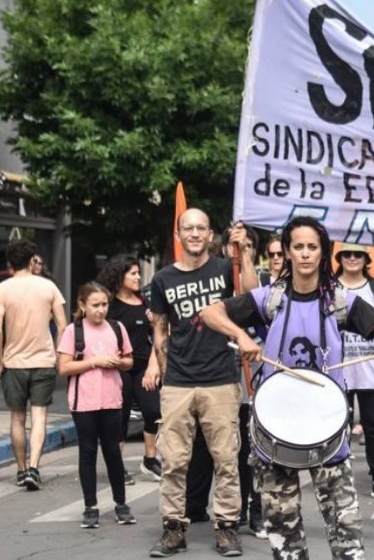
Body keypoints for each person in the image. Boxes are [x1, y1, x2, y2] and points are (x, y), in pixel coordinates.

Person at [201, 216, 374, 560]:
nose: (305, 254)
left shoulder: (340, 301)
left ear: (323, 252)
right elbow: (211, 313)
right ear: (287, 252)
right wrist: (240, 335)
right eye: (298, 247)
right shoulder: (270, 298)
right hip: (276, 426)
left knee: (346, 534)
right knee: (283, 534)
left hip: (327, 424)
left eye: (313, 247)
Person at [144, 209, 257, 558]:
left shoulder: (226, 268)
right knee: (174, 460)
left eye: (201, 228)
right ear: (178, 235)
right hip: (179, 381)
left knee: (226, 458)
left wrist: (245, 254)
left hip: (220, 379)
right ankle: (173, 529)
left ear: (210, 235)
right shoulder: (163, 278)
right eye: (188, 228)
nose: (194, 233)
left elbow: (253, 298)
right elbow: (161, 328)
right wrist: (164, 370)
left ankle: (226, 528)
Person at [56, 282, 136, 528]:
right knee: (88, 452)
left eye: (104, 304)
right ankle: (90, 506)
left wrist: (119, 363)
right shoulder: (73, 331)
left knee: (113, 451)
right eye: (95, 305)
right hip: (84, 402)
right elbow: (64, 367)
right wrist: (96, 361)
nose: (101, 310)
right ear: (82, 305)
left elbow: (129, 360)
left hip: (112, 399)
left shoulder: (116, 327)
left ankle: (120, 503)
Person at [0, 239, 66, 490]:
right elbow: (63, 326)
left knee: (17, 418)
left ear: (9, 262)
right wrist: (58, 354)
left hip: (13, 362)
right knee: (40, 416)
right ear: (32, 259)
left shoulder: (0, 291)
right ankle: (34, 466)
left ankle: (21, 469)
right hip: (43, 359)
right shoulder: (48, 287)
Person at [336, 243, 374, 501]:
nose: (352, 259)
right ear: (340, 258)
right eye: (347, 254)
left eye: (357, 255)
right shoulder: (330, 287)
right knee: (338, 427)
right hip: (339, 369)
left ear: (365, 259)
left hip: (371, 367)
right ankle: (337, 480)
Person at [97, 255, 163, 482]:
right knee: (120, 418)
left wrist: (155, 323)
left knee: (153, 411)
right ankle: (117, 465)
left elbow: (158, 333)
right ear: (120, 276)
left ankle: (150, 459)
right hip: (119, 368)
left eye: (138, 273)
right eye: (133, 273)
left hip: (144, 367)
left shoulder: (144, 302)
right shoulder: (109, 305)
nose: (137, 277)